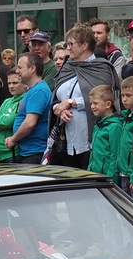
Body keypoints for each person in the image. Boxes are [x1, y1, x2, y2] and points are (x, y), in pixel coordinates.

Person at [51, 26, 121, 168]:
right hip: (66, 140)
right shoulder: (67, 67)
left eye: (71, 44)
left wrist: (71, 102)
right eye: (67, 44)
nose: (68, 48)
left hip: (90, 140)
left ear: (84, 45)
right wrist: (59, 109)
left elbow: (104, 99)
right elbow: (56, 98)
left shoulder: (101, 68)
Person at [87, 84, 133, 190]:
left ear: (108, 104)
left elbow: (115, 155)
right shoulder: (98, 125)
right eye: (91, 103)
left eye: (95, 103)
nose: (92, 106)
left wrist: (111, 180)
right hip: (95, 175)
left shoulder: (115, 126)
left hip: (106, 178)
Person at [10, 53, 53, 161]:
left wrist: (13, 139)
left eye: (20, 67)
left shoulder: (39, 91)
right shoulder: (33, 90)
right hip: (27, 151)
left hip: (35, 152)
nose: (17, 71)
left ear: (32, 69)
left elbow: (30, 123)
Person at [0, 69, 25, 161]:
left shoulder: (24, 101)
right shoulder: (7, 101)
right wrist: (3, 122)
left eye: (15, 83)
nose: (11, 86)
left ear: (25, 84)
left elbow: (10, 121)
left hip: (13, 153)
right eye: (9, 83)